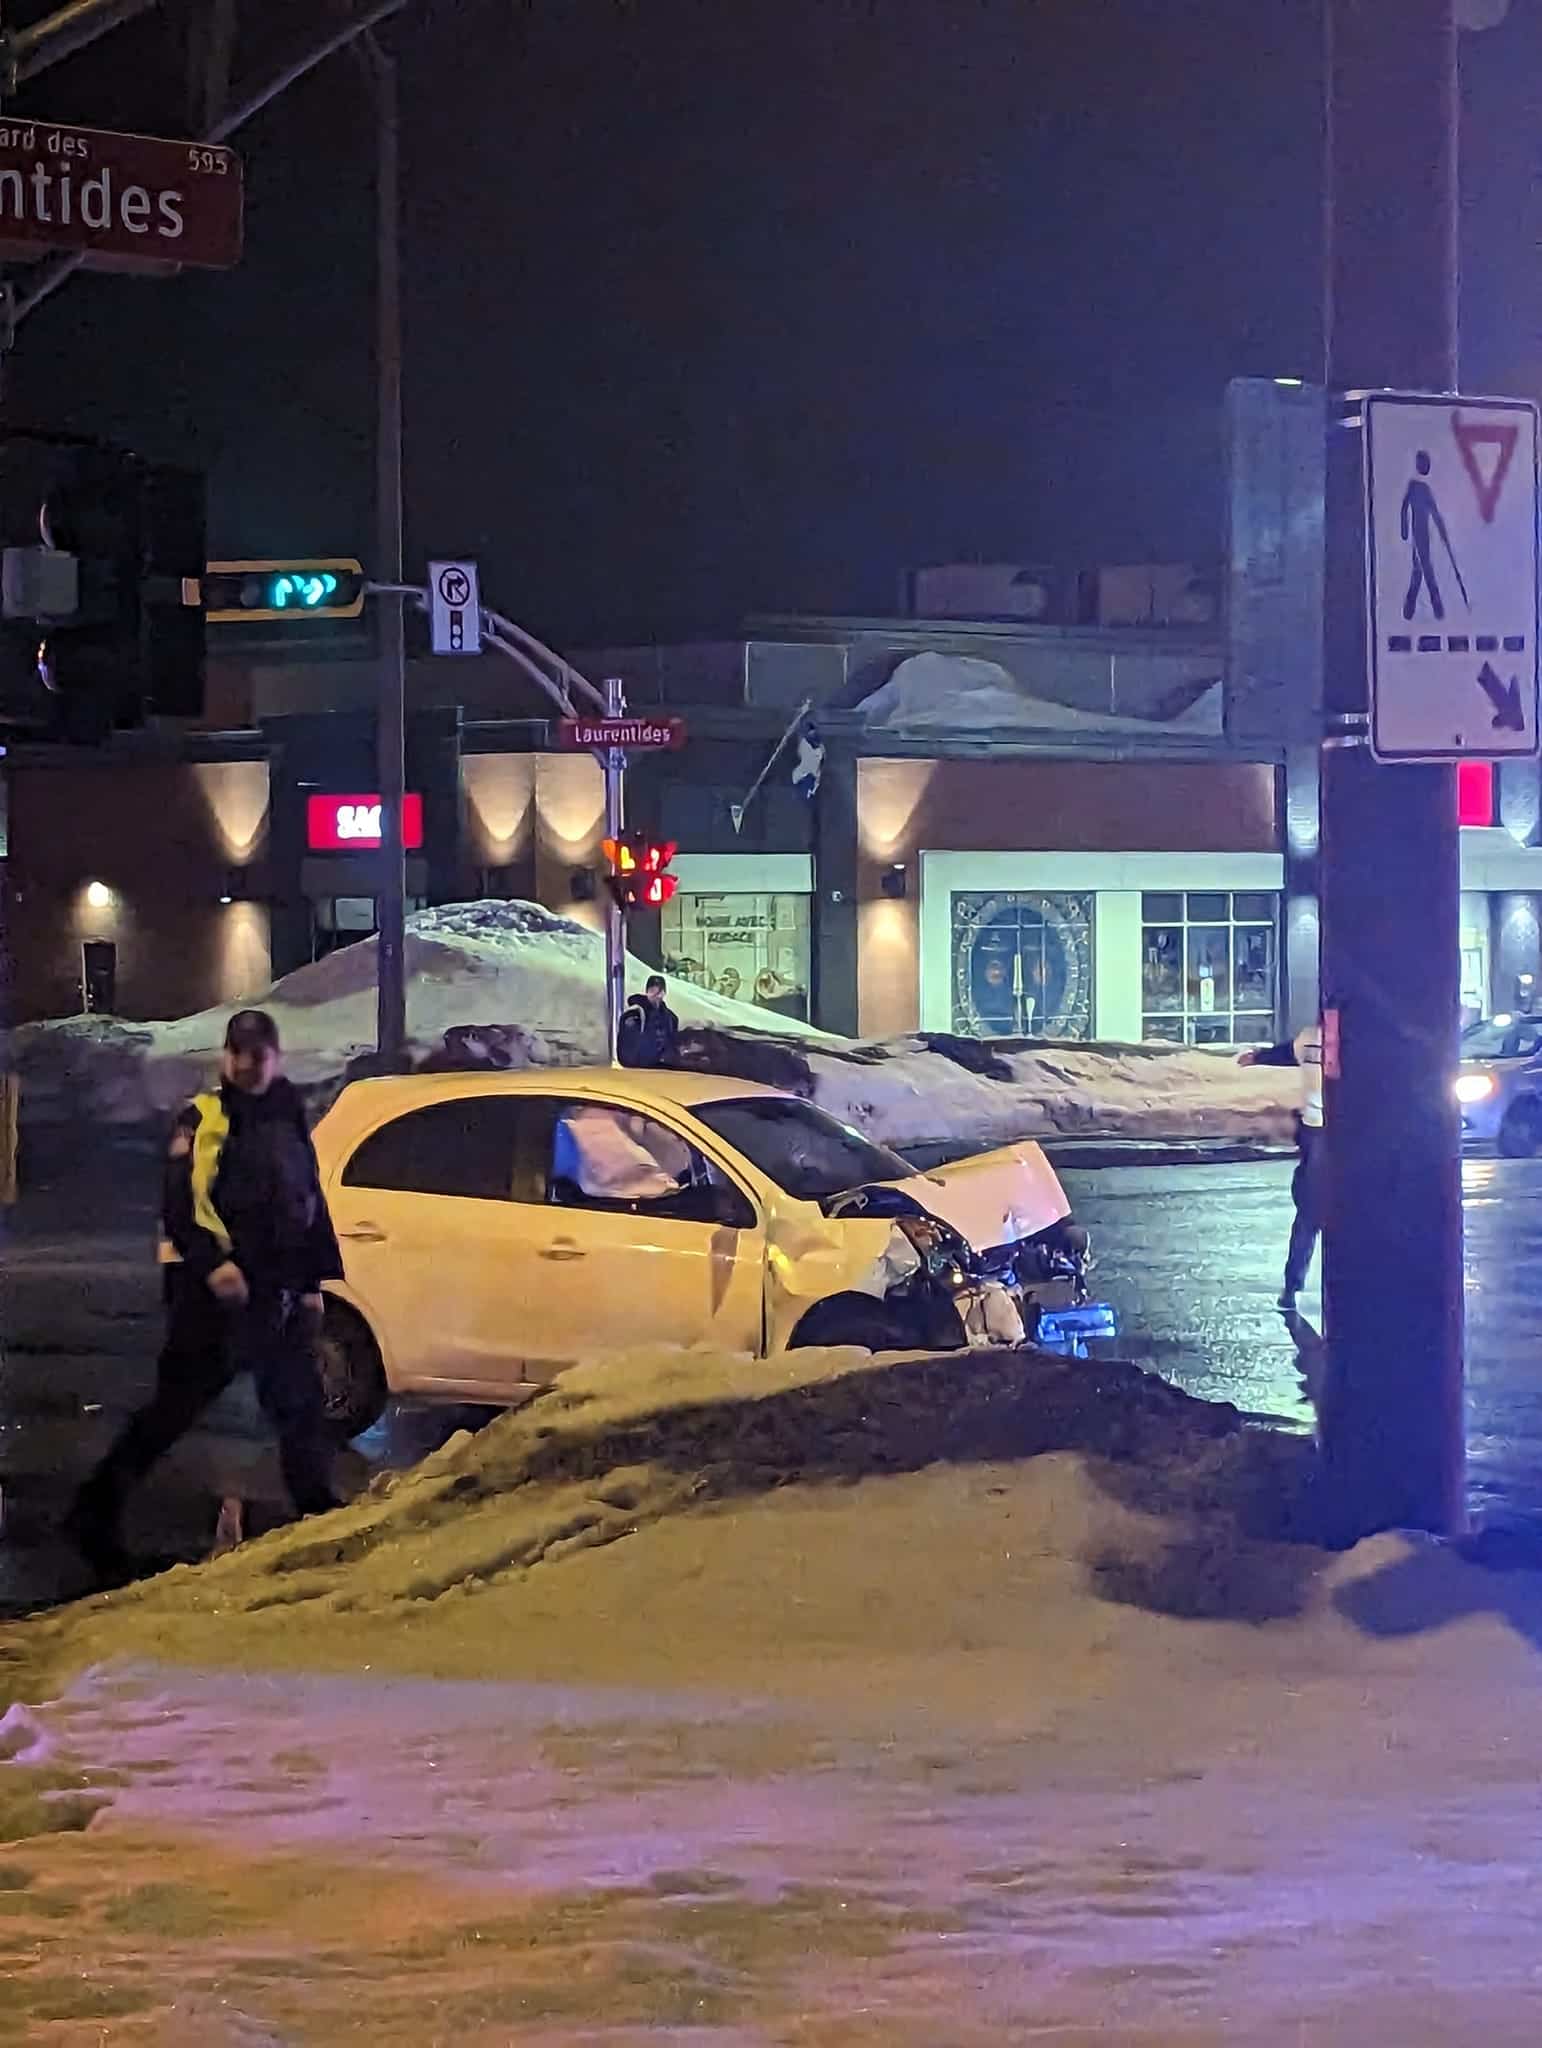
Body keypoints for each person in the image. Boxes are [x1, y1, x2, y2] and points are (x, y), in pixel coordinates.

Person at [67, 1009, 344, 1578]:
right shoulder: (207, 1115)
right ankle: (93, 1511)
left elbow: (307, 1202)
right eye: (237, 1053)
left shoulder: (289, 1115)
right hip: (213, 1298)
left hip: (274, 1292)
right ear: (225, 1057)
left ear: (276, 1057)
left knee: (298, 1404)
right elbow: (182, 1198)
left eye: (258, 1054)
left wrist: (313, 1282)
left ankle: (317, 1508)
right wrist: (214, 1265)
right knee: (174, 1409)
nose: (247, 1064)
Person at [1239, 1020, 1324, 1311]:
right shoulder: (1314, 1038)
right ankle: (1293, 1285)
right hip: (1326, 1134)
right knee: (1313, 1215)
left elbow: (1288, 1052)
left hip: (1319, 1135)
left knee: (1309, 1216)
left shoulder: (1313, 1037)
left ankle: (1292, 1286)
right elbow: (1289, 1052)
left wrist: (1259, 1056)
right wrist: (1259, 1057)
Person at [617, 973, 680, 1068]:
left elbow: (672, 1044)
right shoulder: (635, 1014)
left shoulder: (671, 1018)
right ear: (646, 992)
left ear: (664, 993)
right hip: (638, 1069)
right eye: (652, 991)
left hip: (663, 1069)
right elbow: (627, 1047)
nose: (656, 996)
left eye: (659, 992)